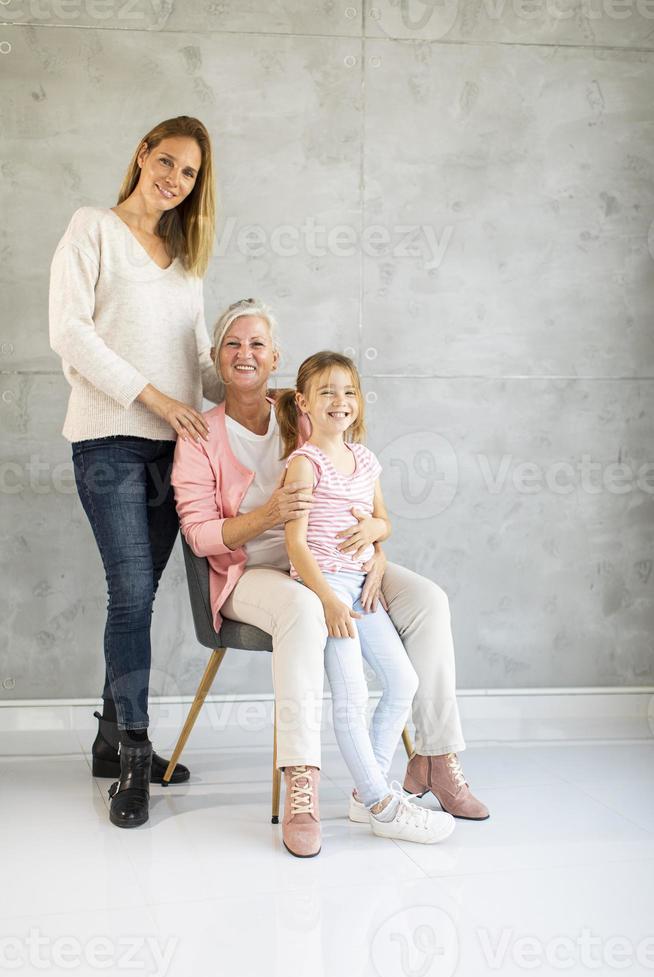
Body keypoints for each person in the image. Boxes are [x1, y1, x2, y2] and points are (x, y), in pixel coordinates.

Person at [172, 298, 489, 859]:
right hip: (255, 572)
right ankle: (303, 779)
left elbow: (358, 494)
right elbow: (199, 535)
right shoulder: (201, 434)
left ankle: (435, 754)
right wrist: (267, 516)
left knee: (429, 600)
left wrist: (379, 547)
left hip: (343, 564)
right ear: (216, 360)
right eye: (232, 344)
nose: (246, 354)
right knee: (303, 607)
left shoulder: (307, 409)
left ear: (275, 358)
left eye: (257, 344)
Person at [49, 116, 224, 830]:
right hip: (111, 440)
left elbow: (200, 365)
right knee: (129, 595)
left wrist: (254, 386)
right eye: (167, 162)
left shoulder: (186, 261)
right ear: (142, 156)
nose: (175, 179)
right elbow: (69, 331)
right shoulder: (92, 227)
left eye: (189, 173)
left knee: (139, 598)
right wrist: (153, 396)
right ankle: (134, 756)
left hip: (171, 453)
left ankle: (107, 738)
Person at [278, 352, 456, 849]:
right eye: (328, 392)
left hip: (362, 586)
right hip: (328, 588)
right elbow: (295, 543)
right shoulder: (304, 464)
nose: (340, 401)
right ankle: (382, 802)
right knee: (352, 696)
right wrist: (329, 603)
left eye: (349, 391)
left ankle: (366, 790)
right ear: (304, 402)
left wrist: (377, 536)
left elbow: (383, 520)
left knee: (403, 680)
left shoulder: (365, 459)